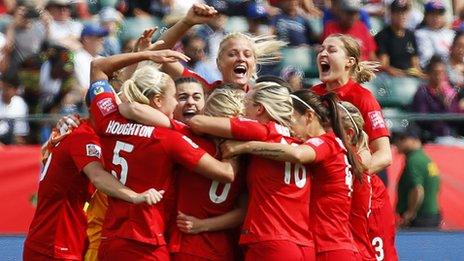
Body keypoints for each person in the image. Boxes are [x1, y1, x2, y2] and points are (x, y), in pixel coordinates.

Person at [87, 50, 239, 260]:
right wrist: (239, 147)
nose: (178, 103)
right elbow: (225, 173)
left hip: (111, 238)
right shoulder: (170, 139)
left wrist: (146, 54)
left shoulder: (109, 117)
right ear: (158, 101)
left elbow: (98, 67)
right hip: (147, 240)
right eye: (176, 97)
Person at [220, 90, 363, 260]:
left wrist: (246, 147)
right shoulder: (337, 146)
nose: (288, 128)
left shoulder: (325, 142)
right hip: (335, 245)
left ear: (309, 116)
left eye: (290, 119)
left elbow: (298, 155)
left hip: (328, 246)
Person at [187, 81, 315, 260]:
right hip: (304, 245)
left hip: (271, 241)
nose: (242, 111)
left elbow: (197, 122)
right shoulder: (300, 141)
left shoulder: (262, 130)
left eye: (246, 104)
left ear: (260, 109)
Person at [23, 109, 165, 261]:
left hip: (69, 240)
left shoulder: (79, 130)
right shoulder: (84, 136)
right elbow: (97, 176)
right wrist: (135, 196)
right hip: (58, 243)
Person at [309, 34, 398, 261]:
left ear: (350, 62)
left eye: (332, 50)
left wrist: (347, 177)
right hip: (329, 201)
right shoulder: (312, 97)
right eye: (321, 49)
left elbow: (384, 155)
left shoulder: (363, 98)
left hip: (366, 200)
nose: (323, 54)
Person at [145, 3, 286, 92]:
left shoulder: (262, 99)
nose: (241, 58)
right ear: (218, 62)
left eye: (247, 55)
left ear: (254, 64)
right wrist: (187, 22)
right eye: (232, 54)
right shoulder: (204, 89)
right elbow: (158, 53)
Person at [395, 127, 441, 228]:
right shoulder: (425, 159)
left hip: (420, 218)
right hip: (431, 215)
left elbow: (417, 190)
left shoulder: (414, 160)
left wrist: (410, 213)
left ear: (414, 140)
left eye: (402, 138)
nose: (397, 142)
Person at [411, 55, 458, 141]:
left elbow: (455, 117)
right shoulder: (422, 92)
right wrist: (441, 108)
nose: (439, 76)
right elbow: (422, 119)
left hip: (451, 135)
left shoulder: (450, 93)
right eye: (436, 72)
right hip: (431, 137)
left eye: (442, 73)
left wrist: (446, 105)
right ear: (429, 73)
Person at [375, 0, 424, 78]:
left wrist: (420, 74)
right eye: (398, 12)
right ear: (391, 14)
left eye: (404, 12)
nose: (402, 16)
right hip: (391, 77)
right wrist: (400, 73)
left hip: (409, 75)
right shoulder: (383, 36)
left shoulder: (410, 35)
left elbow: (415, 62)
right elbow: (384, 64)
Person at [415, 1, 455, 68]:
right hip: (430, 71)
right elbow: (427, 58)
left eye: (439, 14)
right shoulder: (420, 34)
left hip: (452, 69)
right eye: (433, 14)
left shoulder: (451, 34)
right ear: (426, 16)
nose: (436, 18)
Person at [0, 75, 29, 145]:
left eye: (9, 87)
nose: (5, 91)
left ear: (15, 90)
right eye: (4, 87)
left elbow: (20, 134)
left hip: (12, 141)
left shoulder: (20, 104)